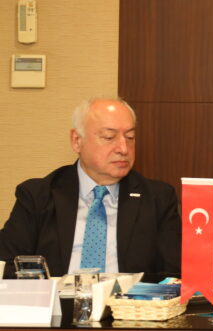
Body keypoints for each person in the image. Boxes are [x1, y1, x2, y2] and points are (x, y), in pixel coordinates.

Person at [0, 97, 181, 279]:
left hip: (128, 297)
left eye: (130, 137)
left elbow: (172, 275)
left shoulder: (158, 199)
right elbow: (6, 265)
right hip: (58, 296)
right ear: (77, 140)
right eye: (109, 137)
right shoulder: (37, 196)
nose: (123, 149)